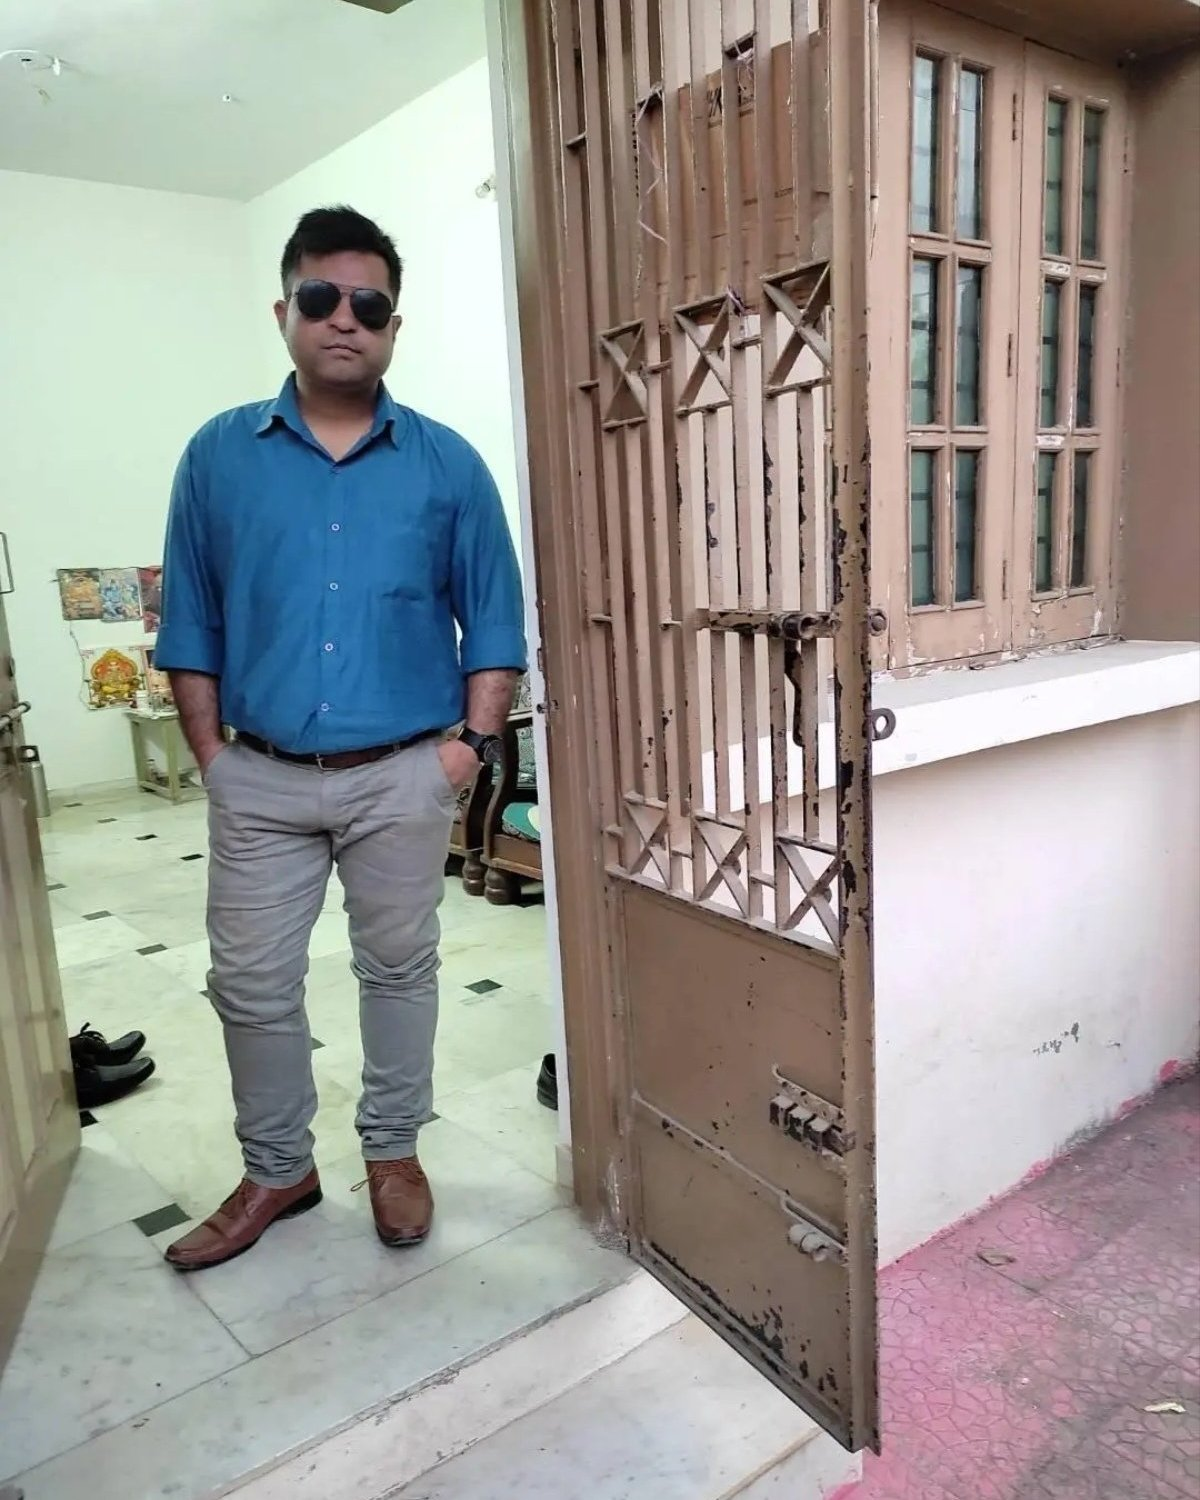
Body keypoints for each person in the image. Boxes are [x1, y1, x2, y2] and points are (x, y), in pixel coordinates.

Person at [154, 206, 525, 1271]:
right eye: (321, 297)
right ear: (285, 311)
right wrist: (214, 762)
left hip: (402, 774)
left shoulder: (448, 465)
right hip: (259, 777)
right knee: (250, 983)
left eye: (369, 304)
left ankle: (393, 1152)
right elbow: (192, 621)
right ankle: (279, 1168)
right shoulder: (218, 457)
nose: (344, 319)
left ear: (393, 326)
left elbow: (494, 621)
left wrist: (467, 749)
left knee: (398, 970)